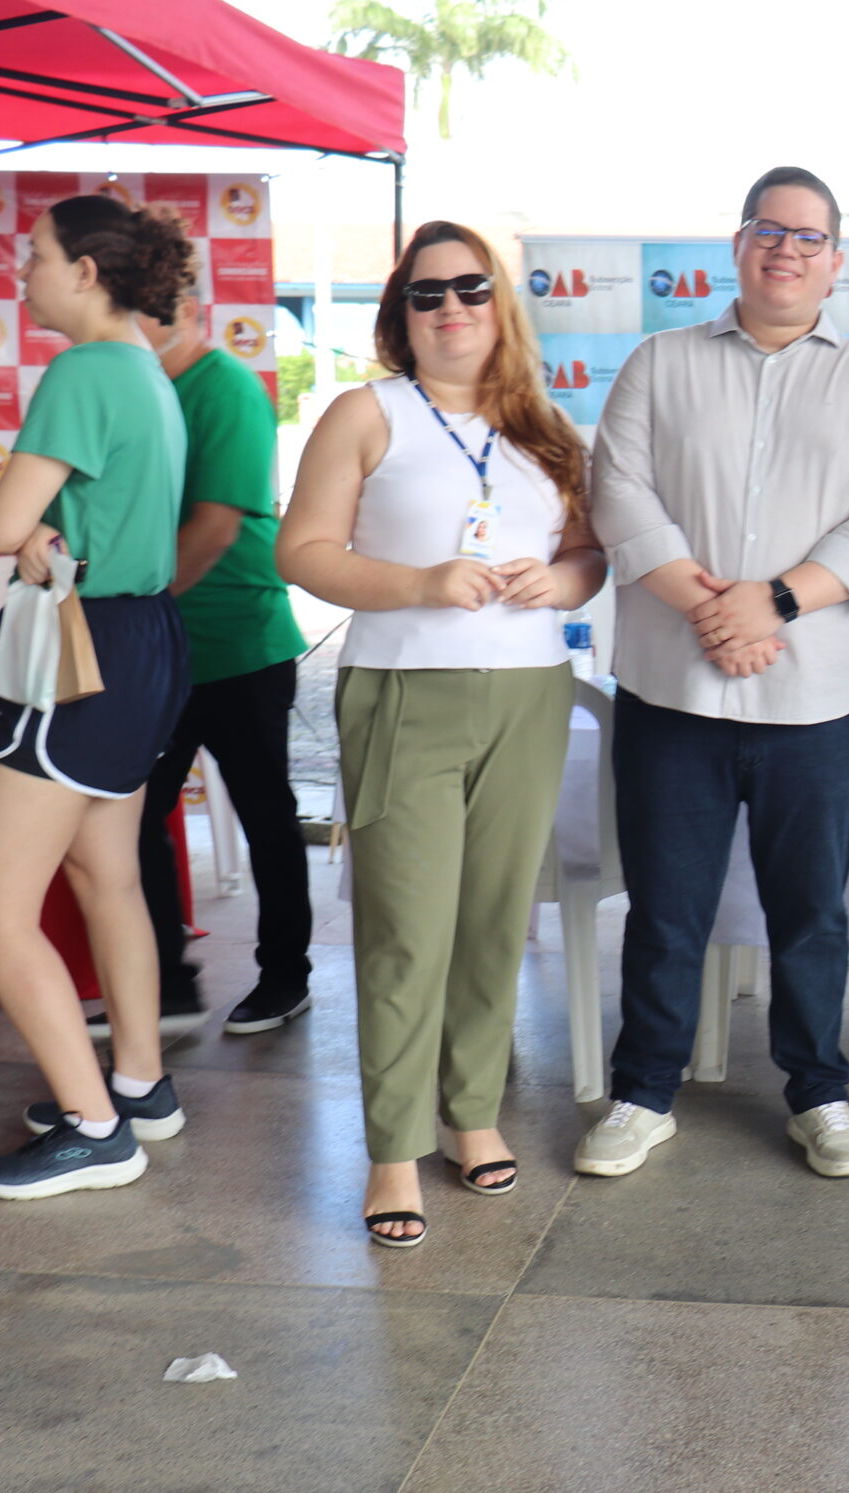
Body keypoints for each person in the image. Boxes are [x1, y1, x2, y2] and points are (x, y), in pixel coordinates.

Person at [583, 166, 849, 1182]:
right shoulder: (660, 362)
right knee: (665, 910)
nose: (786, 250)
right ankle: (644, 1092)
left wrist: (770, 602)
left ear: (836, 262)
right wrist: (712, 609)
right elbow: (618, 491)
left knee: (810, 916)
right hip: (673, 691)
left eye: (808, 237)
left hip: (818, 696)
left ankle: (818, 1093)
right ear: (737, 247)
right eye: (768, 231)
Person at [279, 220, 603, 1248]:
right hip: (403, 691)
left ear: (500, 304)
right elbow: (303, 551)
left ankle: (470, 1114)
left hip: (528, 695)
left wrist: (559, 581)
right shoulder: (365, 413)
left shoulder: (546, 426)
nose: (451, 308)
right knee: (405, 927)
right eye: (428, 294)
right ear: (400, 314)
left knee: (494, 919)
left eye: (470, 288)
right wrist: (420, 582)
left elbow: (588, 556)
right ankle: (391, 1147)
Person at [0, 196, 196, 1201]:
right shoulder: (145, 367)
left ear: (86, 272)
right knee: (108, 876)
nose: (24, 272)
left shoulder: (85, 369)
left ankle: (96, 1129)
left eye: (36, 255)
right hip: (142, 642)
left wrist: (27, 535)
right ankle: (137, 1085)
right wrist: (44, 538)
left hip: (81, 651)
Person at [130, 289, 314, 1039]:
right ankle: (164, 980)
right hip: (159, 648)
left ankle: (285, 976)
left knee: (266, 813)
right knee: (135, 816)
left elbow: (213, 529)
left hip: (238, 643)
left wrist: (130, 611)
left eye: (135, 303)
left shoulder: (227, 386)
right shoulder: (135, 385)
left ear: (180, 307)